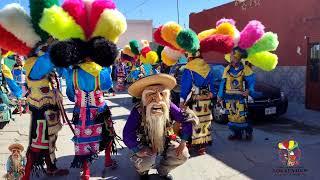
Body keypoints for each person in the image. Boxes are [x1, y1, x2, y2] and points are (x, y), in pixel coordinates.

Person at [40, 0, 127, 179]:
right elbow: (106, 86)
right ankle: (108, 160)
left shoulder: (73, 72)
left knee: (83, 140)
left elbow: (71, 96)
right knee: (108, 134)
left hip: (81, 111)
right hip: (100, 109)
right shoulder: (101, 70)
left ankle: (85, 171)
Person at [123, 73, 191, 180]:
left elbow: (186, 119)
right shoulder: (138, 110)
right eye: (151, 94)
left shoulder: (169, 105)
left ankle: (163, 170)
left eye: (162, 94)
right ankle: (143, 172)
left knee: (183, 154)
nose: (158, 99)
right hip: (145, 144)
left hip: (166, 141)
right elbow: (127, 133)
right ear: (144, 96)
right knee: (145, 161)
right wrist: (137, 150)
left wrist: (183, 143)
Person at [179, 52, 216, 155]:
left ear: (190, 57)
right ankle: (202, 146)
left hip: (194, 98)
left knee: (192, 120)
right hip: (206, 97)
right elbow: (212, 83)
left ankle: (192, 143)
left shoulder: (189, 67)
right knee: (205, 120)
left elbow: (186, 85)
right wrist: (212, 93)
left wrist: (182, 100)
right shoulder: (207, 66)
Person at [217, 47, 255, 140]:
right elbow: (223, 82)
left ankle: (248, 133)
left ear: (238, 57)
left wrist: (249, 91)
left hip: (241, 97)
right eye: (231, 56)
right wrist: (220, 96)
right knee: (232, 117)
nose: (231, 58)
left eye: (232, 56)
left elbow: (251, 81)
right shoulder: (227, 69)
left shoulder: (245, 69)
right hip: (229, 97)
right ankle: (236, 134)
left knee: (242, 116)